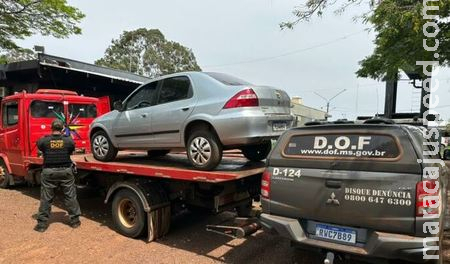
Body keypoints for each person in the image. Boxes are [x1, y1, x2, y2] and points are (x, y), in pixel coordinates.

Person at [34, 119, 81, 232]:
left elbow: (39, 147)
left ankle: (41, 225)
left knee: (46, 198)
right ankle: (74, 221)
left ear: (52, 128)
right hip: (65, 171)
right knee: (70, 196)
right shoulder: (68, 140)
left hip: (49, 172)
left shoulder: (44, 140)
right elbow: (70, 150)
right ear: (62, 129)